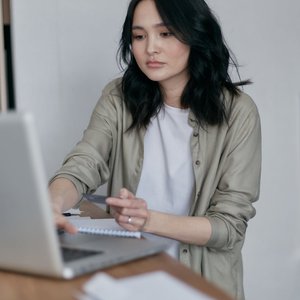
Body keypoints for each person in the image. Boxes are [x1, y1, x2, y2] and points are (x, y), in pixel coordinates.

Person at [49, 0, 261, 299]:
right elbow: (85, 162)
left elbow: (229, 228)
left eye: (165, 33)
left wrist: (150, 220)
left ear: (195, 34)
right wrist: (52, 205)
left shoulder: (238, 112)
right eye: (139, 36)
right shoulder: (118, 97)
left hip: (201, 283)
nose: (150, 48)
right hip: (128, 276)